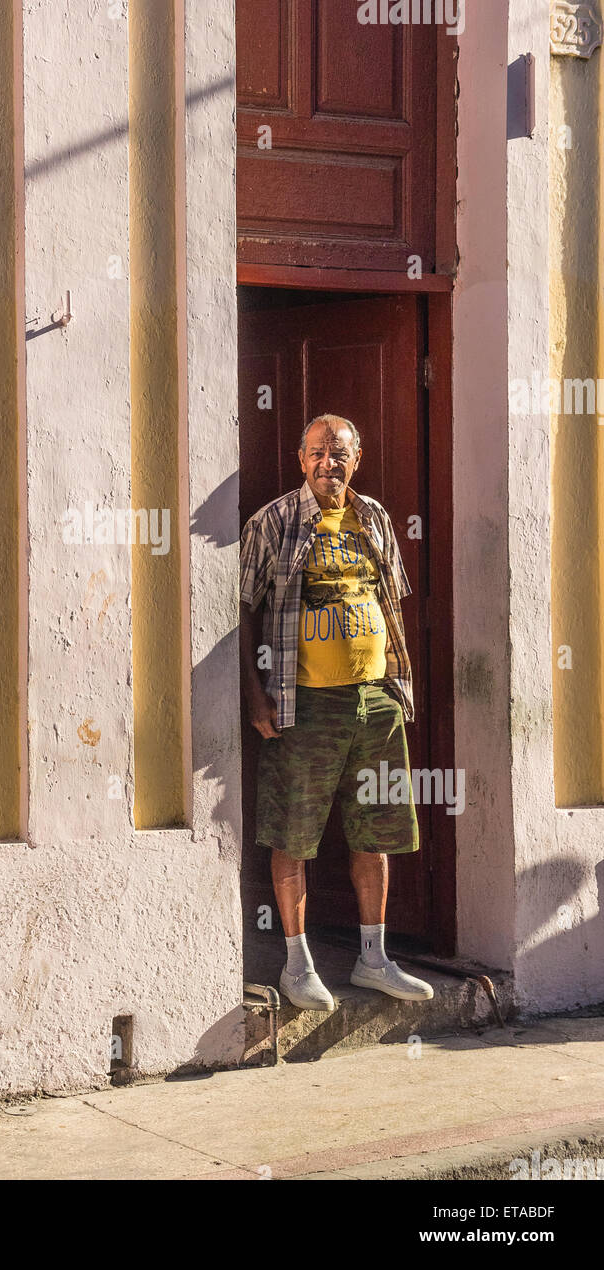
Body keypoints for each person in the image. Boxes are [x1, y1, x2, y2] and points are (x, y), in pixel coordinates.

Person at [239, 413, 434, 1010]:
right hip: (303, 703)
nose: (331, 463)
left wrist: (399, 684)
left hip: (375, 699)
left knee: (375, 831)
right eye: (319, 452)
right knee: (294, 834)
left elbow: (389, 601)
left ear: (358, 458)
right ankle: (298, 966)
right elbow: (243, 609)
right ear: (302, 459)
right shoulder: (272, 522)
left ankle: (373, 959)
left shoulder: (373, 518)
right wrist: (254, 691)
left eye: (341, 453)